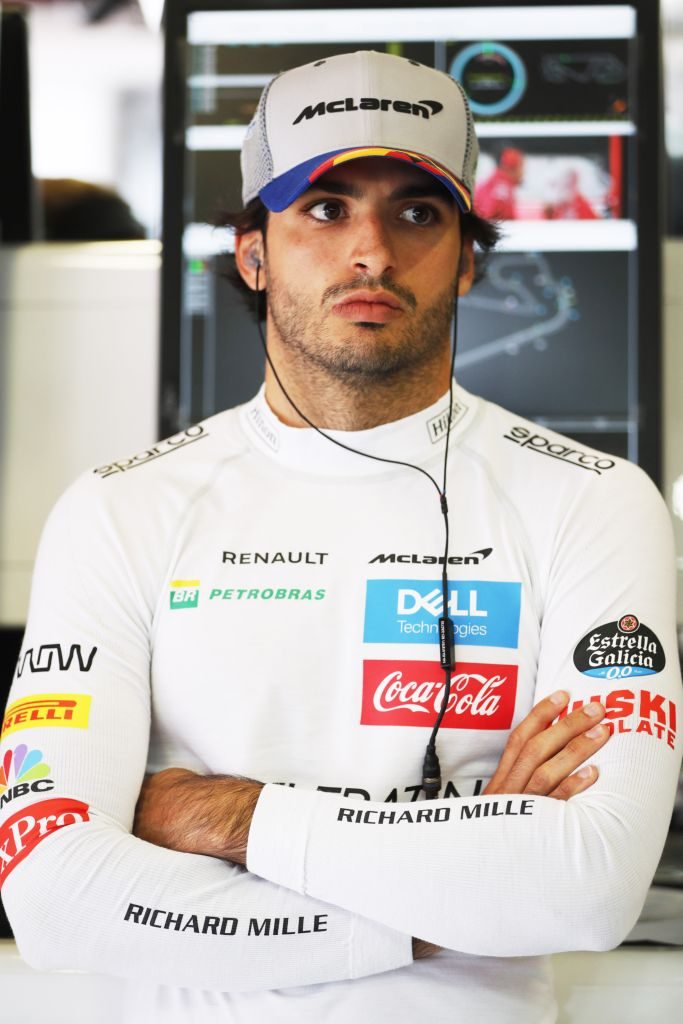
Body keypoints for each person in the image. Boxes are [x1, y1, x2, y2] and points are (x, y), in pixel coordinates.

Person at [1, 51, 680, 1024]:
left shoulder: (592, 499)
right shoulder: (118, 509)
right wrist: (457, 901)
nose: (371, 252)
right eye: (324, 208)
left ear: (466, 256)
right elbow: (53, 897)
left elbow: (587, 888)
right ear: (252, 254)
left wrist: (227, 814)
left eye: (417, 212)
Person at [474, 146, 525, 220]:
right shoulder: (502, 188)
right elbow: (490, 215)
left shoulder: (494, 182)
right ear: (512, 169)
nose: (523, 173)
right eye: (521, 167)